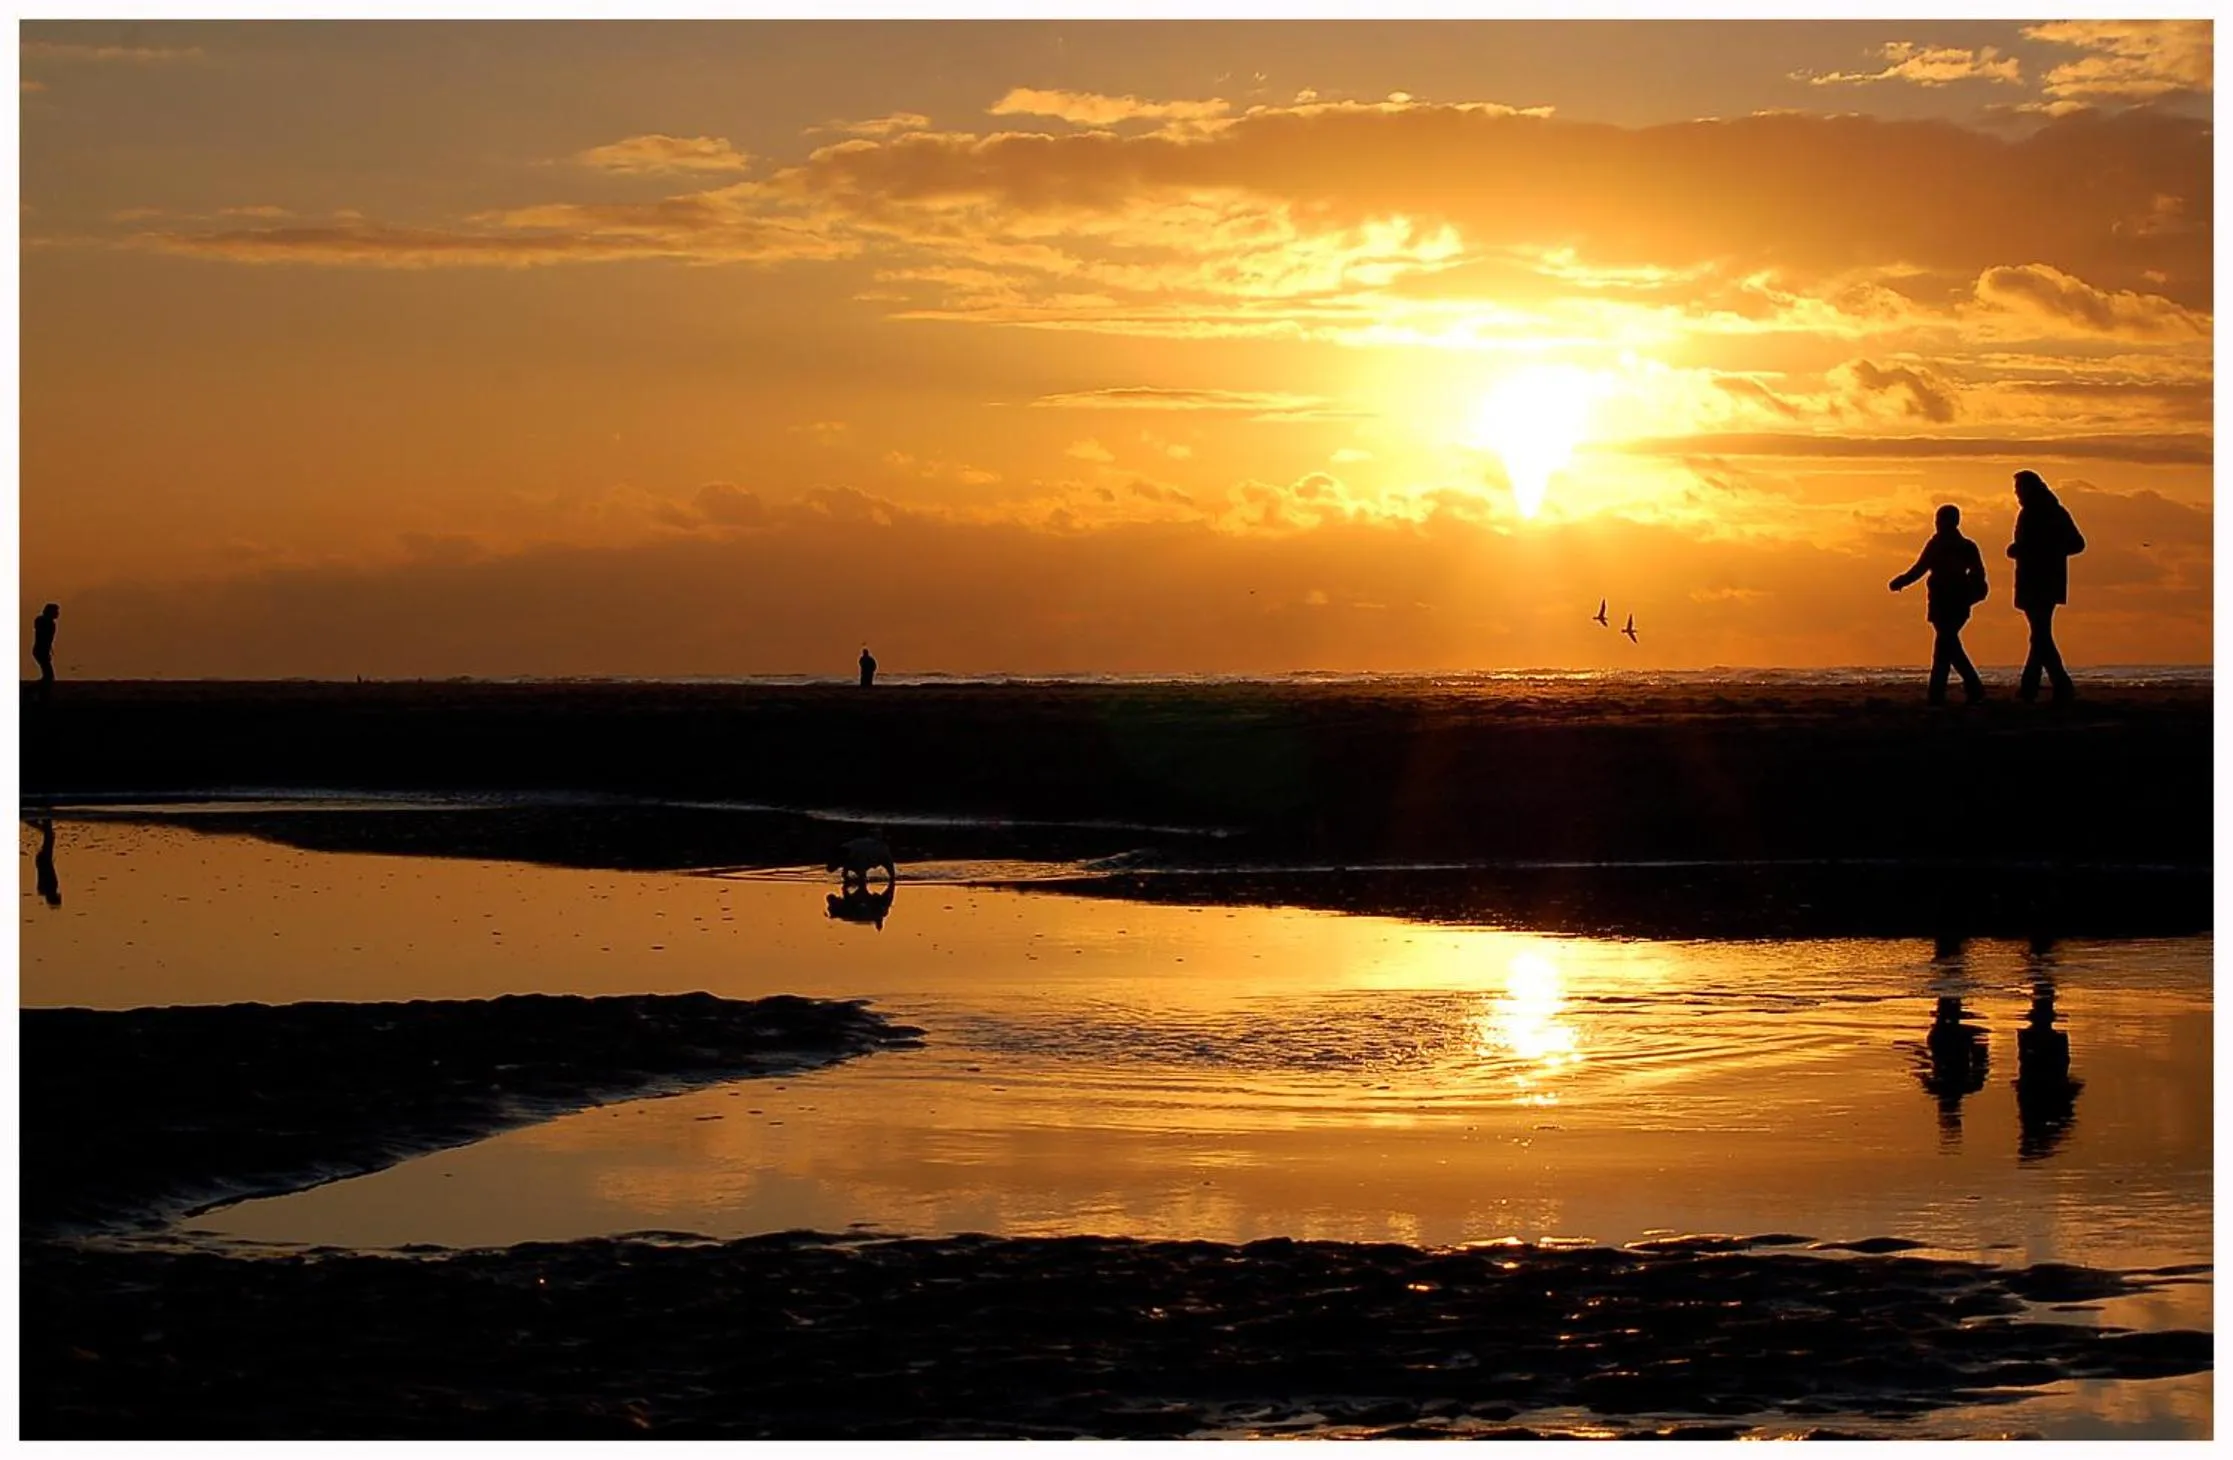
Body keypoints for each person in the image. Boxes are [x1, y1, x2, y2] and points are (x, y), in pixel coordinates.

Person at [1889, 505, 1988, 704]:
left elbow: (1920, 568)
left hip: (1950, 602)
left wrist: (1901, 581)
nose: (1937, 524)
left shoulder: (1951, 545)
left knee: (1946, 646)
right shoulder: (1962, 545)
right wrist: (1902, 581)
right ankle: (1959, 690)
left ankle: (1954, 690)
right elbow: (1921, 568)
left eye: (1940, 520)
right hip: (1949, 602)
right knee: (1947, 646)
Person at [2006, 470, 2084, 703]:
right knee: (2040, 635)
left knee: (2040, 635)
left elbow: (2077, 543)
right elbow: (2074, 544)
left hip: (2039, 581)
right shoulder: (2048, 512)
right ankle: (2042, 686)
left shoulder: (2043, 513)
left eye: (2019, 489)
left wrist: (2034, 550)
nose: (2017, 494)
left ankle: (2047, 686)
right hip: (2040, 580)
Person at [30, 603, 58, 699]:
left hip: (41, 651)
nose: (57, 614)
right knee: (49, 676)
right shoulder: (45, 622)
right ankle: (33, 691)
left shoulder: (43, 621)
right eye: (56, 611)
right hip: (41, 651)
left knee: (48, 675)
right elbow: (44, 638)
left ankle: (41, 694)